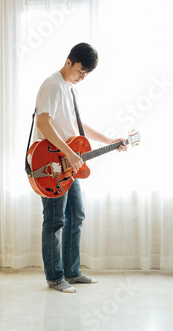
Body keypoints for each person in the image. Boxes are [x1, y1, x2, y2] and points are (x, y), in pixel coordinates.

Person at [33, 43, 127, 293]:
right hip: (52, 164)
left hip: (67, 164)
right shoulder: (53, 85)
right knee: (54, 220)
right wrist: (70, 153)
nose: (82, 77)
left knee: (76, 216)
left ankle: (72, 272)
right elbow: (43, 123)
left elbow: (75, 123)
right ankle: (55, 278)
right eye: (80, 71)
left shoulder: (68, 88)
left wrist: (109, 140)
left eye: (86, 74)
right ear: (68, 62)